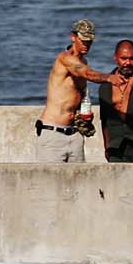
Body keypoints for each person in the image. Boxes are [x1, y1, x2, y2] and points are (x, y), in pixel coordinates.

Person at [36, 19, 117, 163]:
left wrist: (83, 114)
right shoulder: (64, 59)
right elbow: (88, 74)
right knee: (50, 183)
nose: (86, 45)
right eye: (83, 40)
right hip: (53, 133)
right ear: (73, 37)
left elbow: (76, 93)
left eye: (89, 41)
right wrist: (111, 78)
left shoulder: (84, 62)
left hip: (75, 133)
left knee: (78, 183)